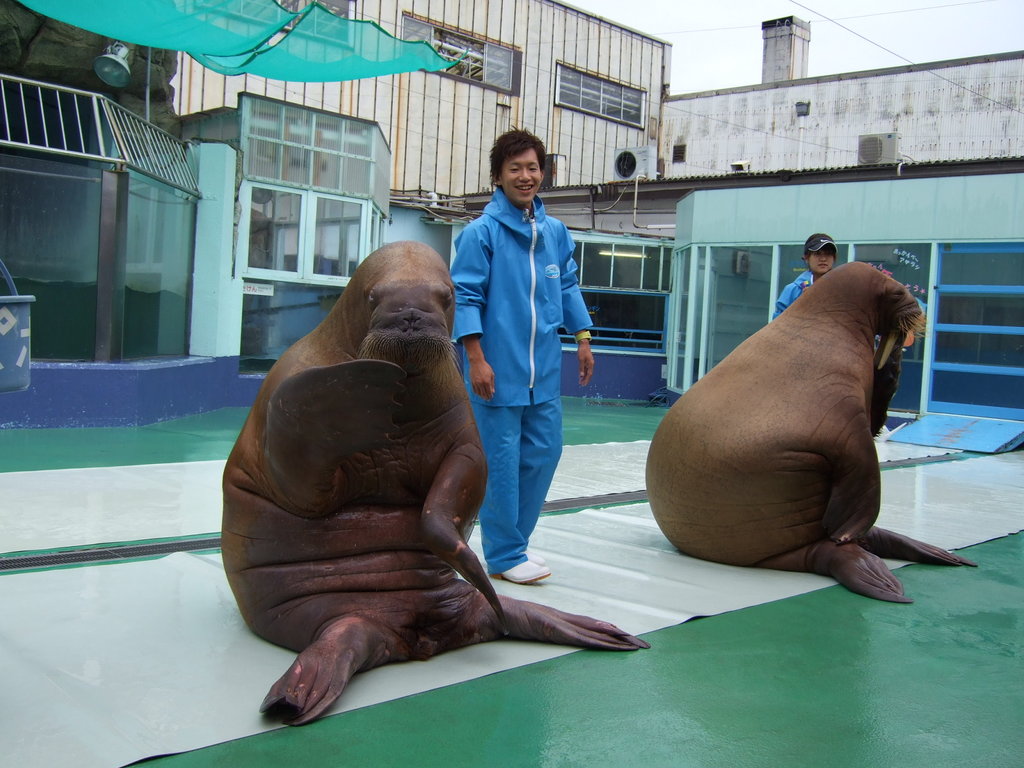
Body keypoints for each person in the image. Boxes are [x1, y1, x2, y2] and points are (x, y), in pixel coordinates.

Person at [450, 129, 594, 585]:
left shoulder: (554, 233)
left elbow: (567, 284)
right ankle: (504, 553)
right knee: (502, 462)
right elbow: (466, 296)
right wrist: (475, 357)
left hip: (544, 373)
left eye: (533, 167)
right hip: (497, 371)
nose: (525, 176)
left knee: (544, 455)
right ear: (498, 176)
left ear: (543, 173)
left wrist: (584, 336)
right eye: (515, 168)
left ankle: (517, 544)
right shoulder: (481, 234)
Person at [772, 233, 837, 319]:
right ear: (806, 258)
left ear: (834, 258)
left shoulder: (842, 289)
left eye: (828, 254)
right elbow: (777, 327)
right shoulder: (792, 290)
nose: (823, 259)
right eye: (817, 254)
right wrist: (802, 305)